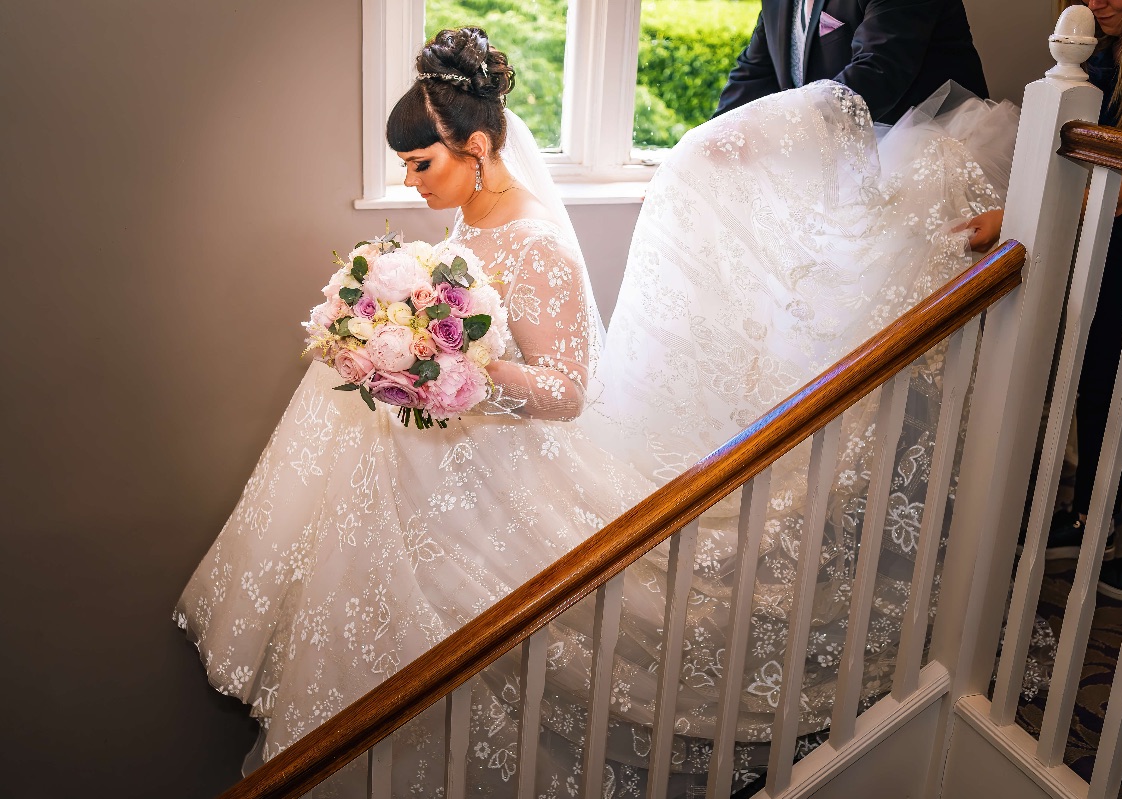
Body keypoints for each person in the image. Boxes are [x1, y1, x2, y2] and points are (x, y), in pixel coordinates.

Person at [176, 27, 1027, 795]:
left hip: (522, 460)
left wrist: (462, 369)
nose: (408, 179)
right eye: (401, 166)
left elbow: (568, 389)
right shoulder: (472, 224)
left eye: (420, 163)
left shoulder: (537, 244)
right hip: (465, 461)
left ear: (475, 148)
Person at [968, 0, 1122, 616]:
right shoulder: (1102, 49)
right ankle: (1088, 514)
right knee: (1094, 372)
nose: (1096, 0)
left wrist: (1021, 218)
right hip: (1111, 241)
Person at [714, 0, 990, 124]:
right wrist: (709, 138)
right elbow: (754, 74)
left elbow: (879, 69)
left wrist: (783, 128)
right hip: (838, 158)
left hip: (928, 145)